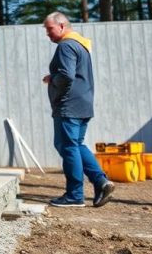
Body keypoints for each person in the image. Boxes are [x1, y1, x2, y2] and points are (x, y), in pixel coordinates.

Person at [41, 12, 114, 208]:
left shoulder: (66, 45)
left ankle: (75, 195)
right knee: (76, 145)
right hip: (83, 103)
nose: (47, 34)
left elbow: (66, 75)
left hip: (69, 105)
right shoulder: (80, 44)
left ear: (62, 26)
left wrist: (54, 82)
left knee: (67, 146)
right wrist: (54, 77)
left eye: (50, 29)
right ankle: (101, 182)